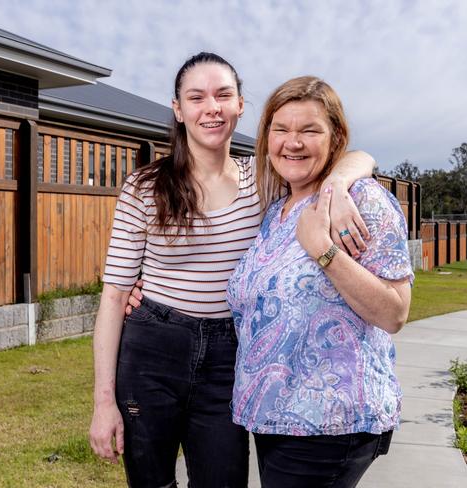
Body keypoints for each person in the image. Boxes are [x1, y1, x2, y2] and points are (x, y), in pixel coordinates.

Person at [89, 52, 375, 488]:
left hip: (231, 354)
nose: (212, 107)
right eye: (196, 97)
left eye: (223, 95)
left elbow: (358, 156)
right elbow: (113, 297)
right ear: (178, 109)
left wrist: (337, 183)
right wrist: (103, 402)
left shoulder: (265, 180)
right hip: (153, 351)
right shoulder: (144, 187)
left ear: (241, 105)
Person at [226, 76, 413, 488]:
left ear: (335, 137)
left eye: (309, 130)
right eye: (281, 129)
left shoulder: (361, 199)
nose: (293, 142)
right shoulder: (276, 212)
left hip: (330, 423)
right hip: (276, 421)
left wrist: (323, 251)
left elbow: (394, 312)